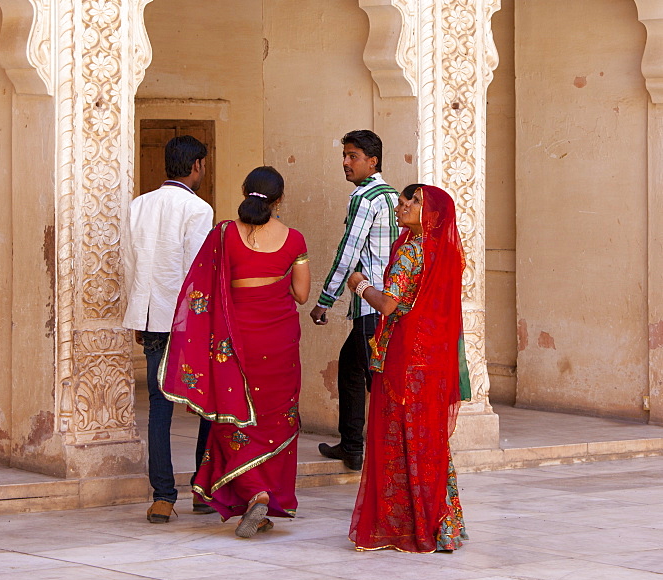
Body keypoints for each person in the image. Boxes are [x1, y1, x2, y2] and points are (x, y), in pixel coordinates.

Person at [160, 166, 310, 538]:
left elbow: (205, 287)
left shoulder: (224, 233)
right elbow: (302, 294)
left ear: (245, 191)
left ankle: (253, 493)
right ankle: (266, 495)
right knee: (274, 419)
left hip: (234, 341)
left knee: (232, 415)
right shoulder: (294, 239)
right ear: (280, 199)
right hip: (279, 344)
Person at [347, 184, 471, 553]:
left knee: (397, 439)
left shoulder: (409, 251)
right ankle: (441, 527)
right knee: (429, 440)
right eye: (403, 199)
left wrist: (359, 284)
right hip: (432, 359)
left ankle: (407, 526)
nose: (401, 205)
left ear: (430, 213)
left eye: (412, 201)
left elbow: (388, 305)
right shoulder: (443, 252)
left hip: (403, 359)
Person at [122, 135, 214, 524]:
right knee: (206, 406)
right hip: (187, 322)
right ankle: (201, 488)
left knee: (159, 409)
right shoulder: (198, 209)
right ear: (196, 166)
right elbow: (197, 270)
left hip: (152, 318)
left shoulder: (139, 205)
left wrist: (139, 316)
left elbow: (128, 262)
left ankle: (163, 496)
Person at [309, 130, 398, 472]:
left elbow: (347, 253)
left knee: (376, 381)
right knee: (351, 368)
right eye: (344, 156)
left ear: (372, 161)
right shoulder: (393, 196)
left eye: (353, 156)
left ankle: (381, 454)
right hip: (387, 302)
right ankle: (351, 446)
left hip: (370, 304)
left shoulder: (364, 197)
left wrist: (325, 300)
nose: (346, 163)